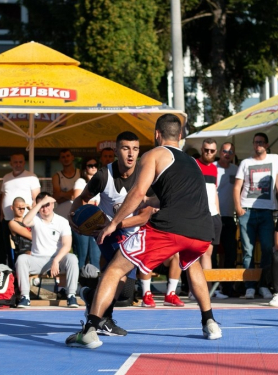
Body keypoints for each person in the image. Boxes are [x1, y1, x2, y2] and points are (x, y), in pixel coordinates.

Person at [66, 114, 221, 349]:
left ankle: (89, 329)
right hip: (201, 231)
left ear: (156, 135)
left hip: (170, 228)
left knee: (114, 269)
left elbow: (137, 192)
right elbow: (171, 198)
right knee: (193, 265)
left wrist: (112, 223)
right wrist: (149, 200)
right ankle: (210, 322)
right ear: (179, 136)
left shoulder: (153, 155)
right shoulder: (193, 163)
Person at [69, 131, 154, 337]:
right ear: (116, 151)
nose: (131, 154)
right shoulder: (103, 175)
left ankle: (91, 296)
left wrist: (116, 224)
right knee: (119, 276)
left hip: (132, 233)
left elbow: (143, 217)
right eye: (125, 148)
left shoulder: (146, 175)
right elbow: (82, 198)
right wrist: (74, 217)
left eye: (135, 149)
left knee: (125, 292)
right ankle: (103, 320)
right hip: (108, 234)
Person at [233, 132, 278, 299]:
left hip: (267, 211)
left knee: (267, 249)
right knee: (247, 251)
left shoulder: (275, 159)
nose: (258, 145)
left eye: (261, 142)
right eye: (256, 142)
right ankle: (249, 286)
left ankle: (263, 284)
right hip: (247, 211)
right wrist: (238, 208)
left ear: (267, 145)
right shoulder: (245, 163)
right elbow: (237, 187)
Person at [15, 192, 79, 308]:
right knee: (21, 259)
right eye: (42, 205)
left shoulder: (62, 221)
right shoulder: (35, 219)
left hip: (57, 260)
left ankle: (71, 295)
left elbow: (67, 245)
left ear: (53, 204)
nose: (44, 208)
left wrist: (56, 261)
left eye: (47, 204)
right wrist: (40, 204)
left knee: (72, 258)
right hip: (37, 260)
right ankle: (25, 296)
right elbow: (25, 222)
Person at [196, 138, 227, 299]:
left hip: (213, 216)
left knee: (209, 254)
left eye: (212, 151)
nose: (208, 153)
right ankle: (197, 290)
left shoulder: (214, 169)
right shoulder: (194, 164)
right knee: (197, 254)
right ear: (202, 149)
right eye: (206, 150)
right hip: (198, 216)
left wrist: (219, 214)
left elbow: (213, 192)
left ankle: (207, 291)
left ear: (216, 152)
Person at [1, 153, 41, 266]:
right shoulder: (6, 177)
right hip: (7, 219)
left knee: (24, 249)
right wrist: (1, 215)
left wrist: (32, 213)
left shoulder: (31, 177)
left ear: (24, 163)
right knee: (7, 251)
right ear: (10, 163)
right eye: (15, 162)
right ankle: (10, 278)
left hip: (25, 222)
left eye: (20, 162)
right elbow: (4, 197)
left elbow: (36, 199)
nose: (18, 164)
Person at [214, 142, 238, 296]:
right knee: (212, 253)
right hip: (213, 216)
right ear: (220, 152)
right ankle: (213, 287)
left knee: (231, 253)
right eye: (225, 151)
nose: (227, 154)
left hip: (229, 216)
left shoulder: (236, 170)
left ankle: (228, 286)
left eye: (230, 151)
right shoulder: (212, 167)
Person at [72, 157, 100, 270]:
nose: (93, 167)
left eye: (95, 165)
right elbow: (78, 200)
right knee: (82, 255)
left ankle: (95, 284)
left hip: (97, 221)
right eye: (90, 165)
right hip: (82, 221)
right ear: (84, 168)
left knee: (95, 256)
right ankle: (81, 284)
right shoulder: (81, 181)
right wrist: (93, 203)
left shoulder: (101, 181)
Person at [52, 149, 80, 220]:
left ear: (72, 157)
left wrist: (62, 194)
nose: (66, 159)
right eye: (63, 157)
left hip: (79, 214)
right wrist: (73, 193)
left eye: (68, 156)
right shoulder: (56, 176)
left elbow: (82, 195)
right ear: (60, 160)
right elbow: (57, 198)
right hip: (62, 215)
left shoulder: (80, 173)